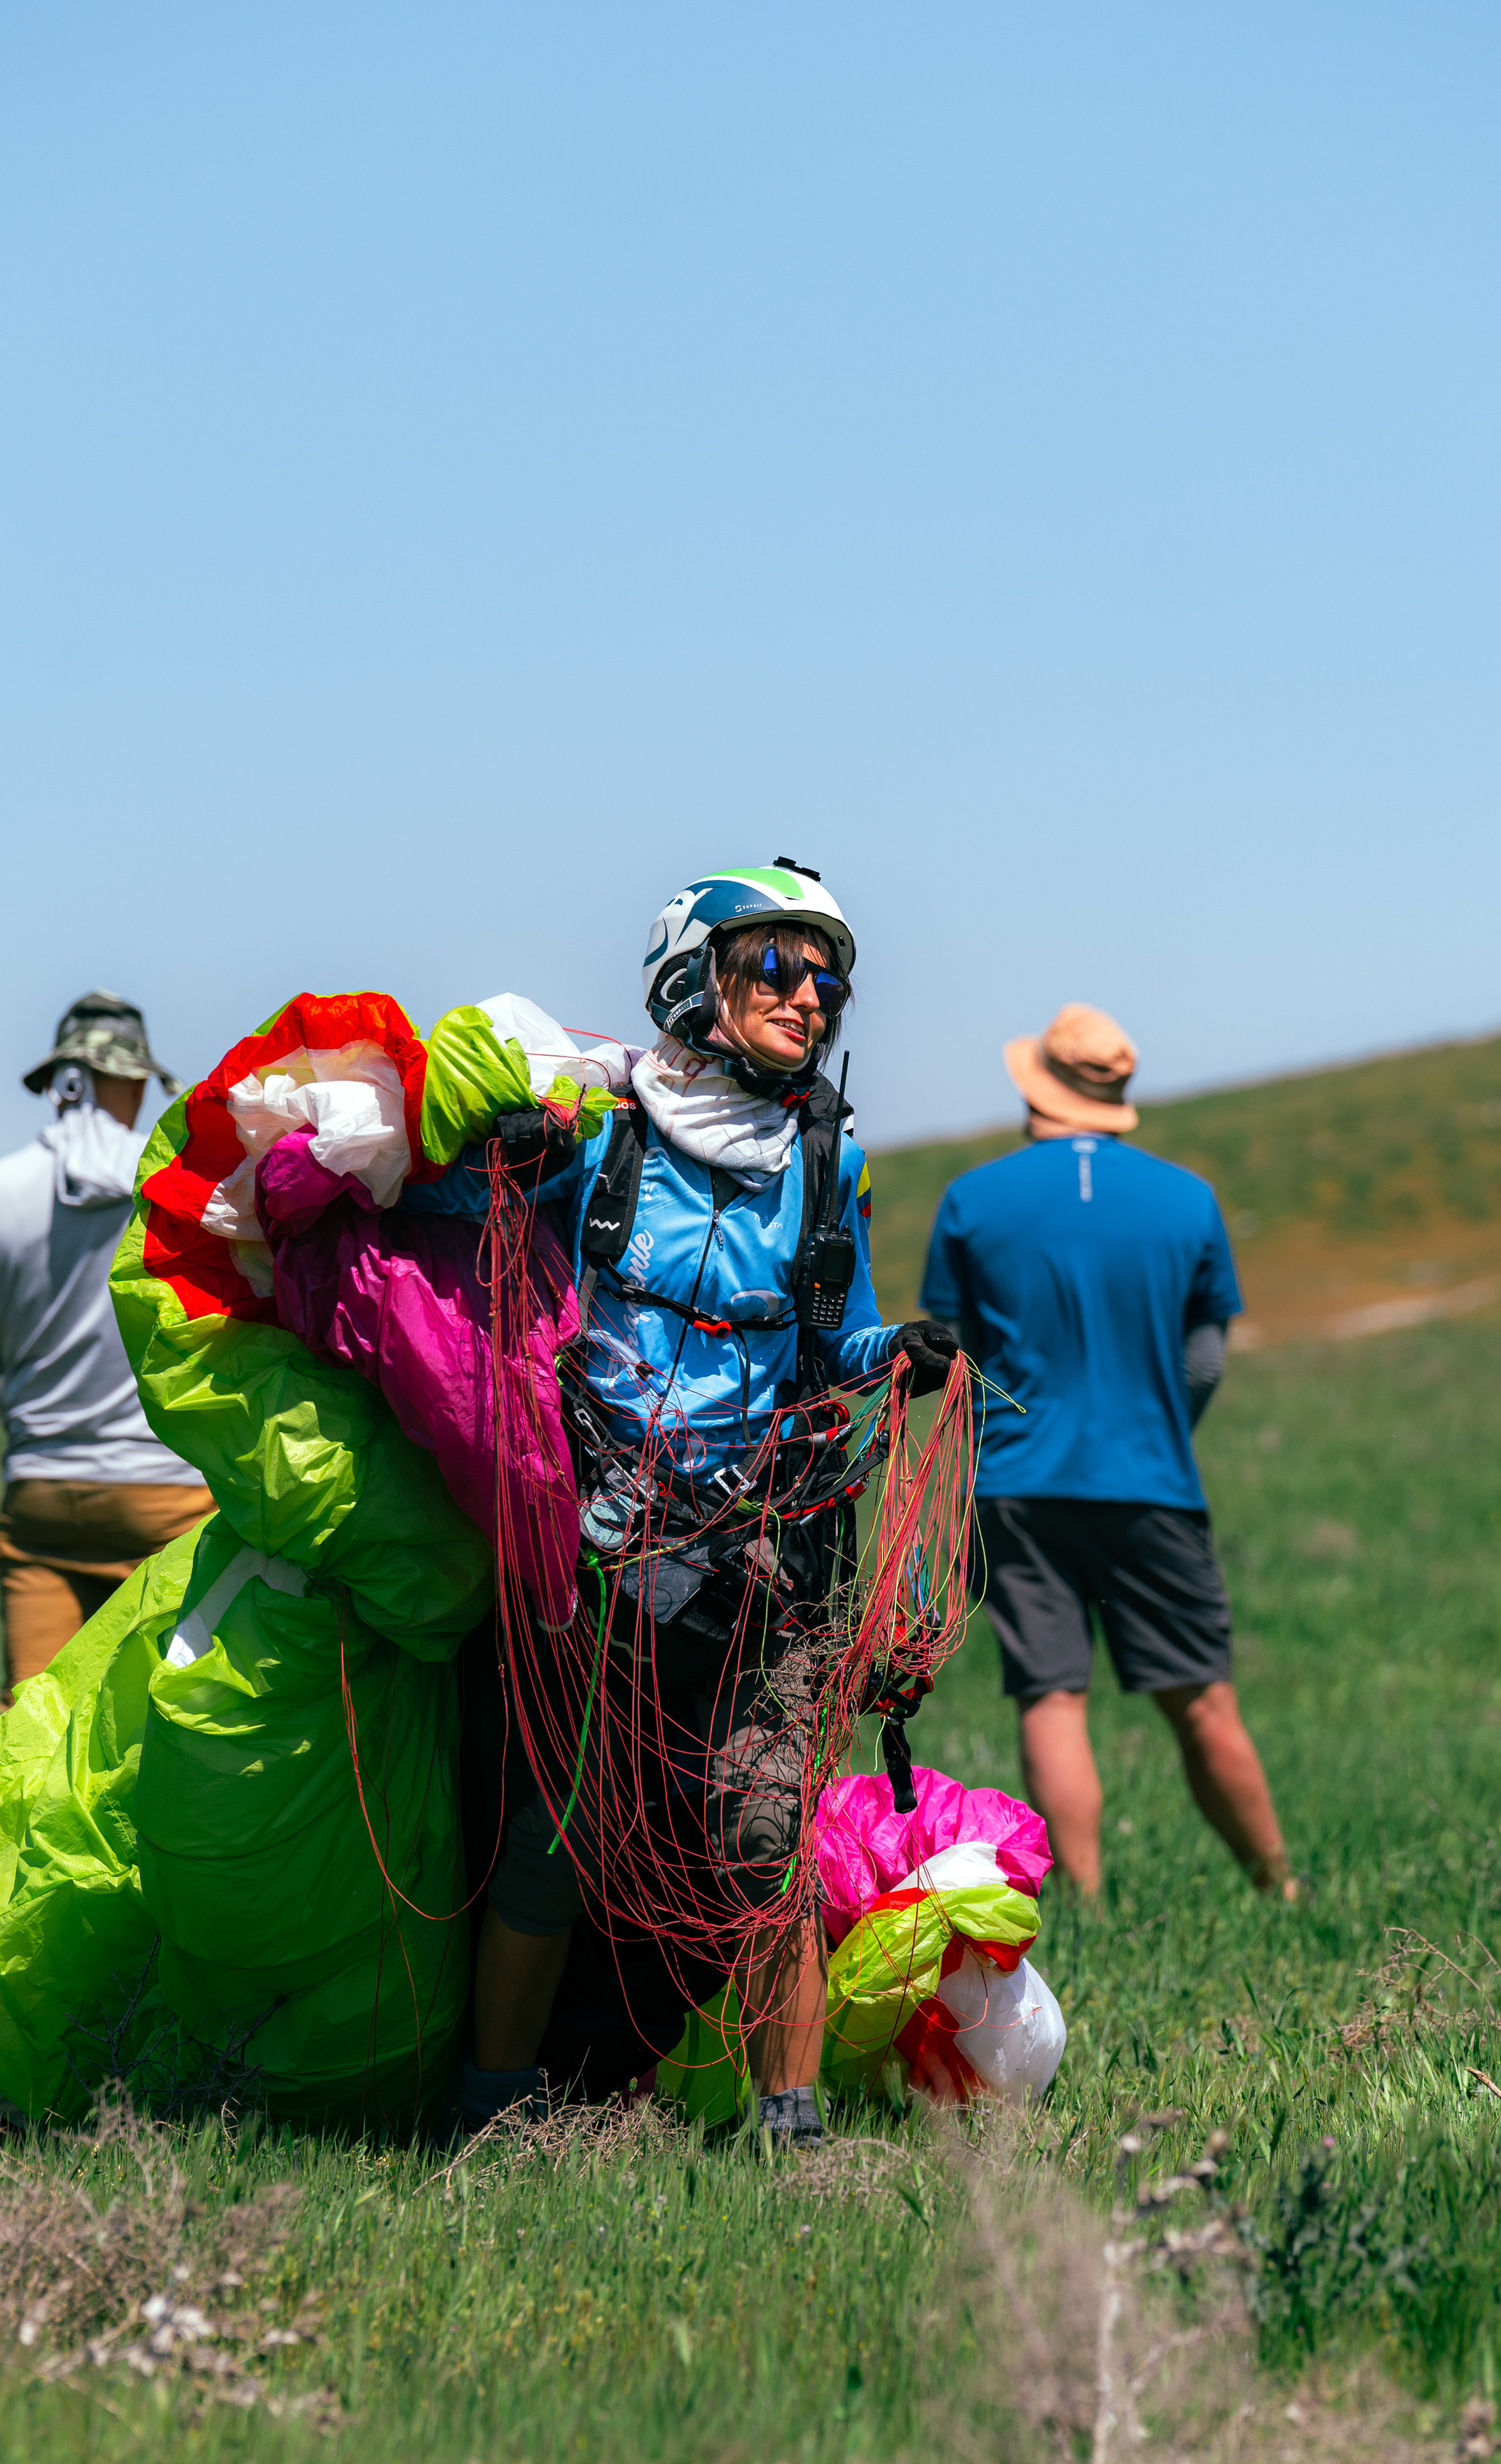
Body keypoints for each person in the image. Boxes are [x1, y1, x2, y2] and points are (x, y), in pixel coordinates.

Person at [416, 863, 959, 2146]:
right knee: (556, 1834)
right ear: (697, 977)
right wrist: (497, 1151)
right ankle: (491, 2115)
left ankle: (795, 2135)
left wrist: (894, 1353)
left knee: (765, 1841)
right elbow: (448, 1217)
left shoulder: (828, 1164)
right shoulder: (606, 1137)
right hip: (599, 1545)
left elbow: (831, 1338)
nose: (807, 996)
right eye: (775, 965)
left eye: (826, 981)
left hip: (756, 1553)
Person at [918, 1003, 1294, 1901]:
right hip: (1150, 1477)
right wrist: (1159, 1426)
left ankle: (1083, 1904)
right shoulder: (1188, 1198)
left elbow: (956, 1352)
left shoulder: (972, 1199)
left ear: (1036, 1087)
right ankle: (1279, 1886)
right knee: (1201, 1697)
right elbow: (1204, 1359)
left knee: (1051, 1696)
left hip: (1016, 1483)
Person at [0, 991, 212, 1707]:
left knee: (30, 1727)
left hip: (40, 1498)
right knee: (167, 1717)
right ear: (126, 1079)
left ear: (60, 1080)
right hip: (167, 1498)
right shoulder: (172, 1180)